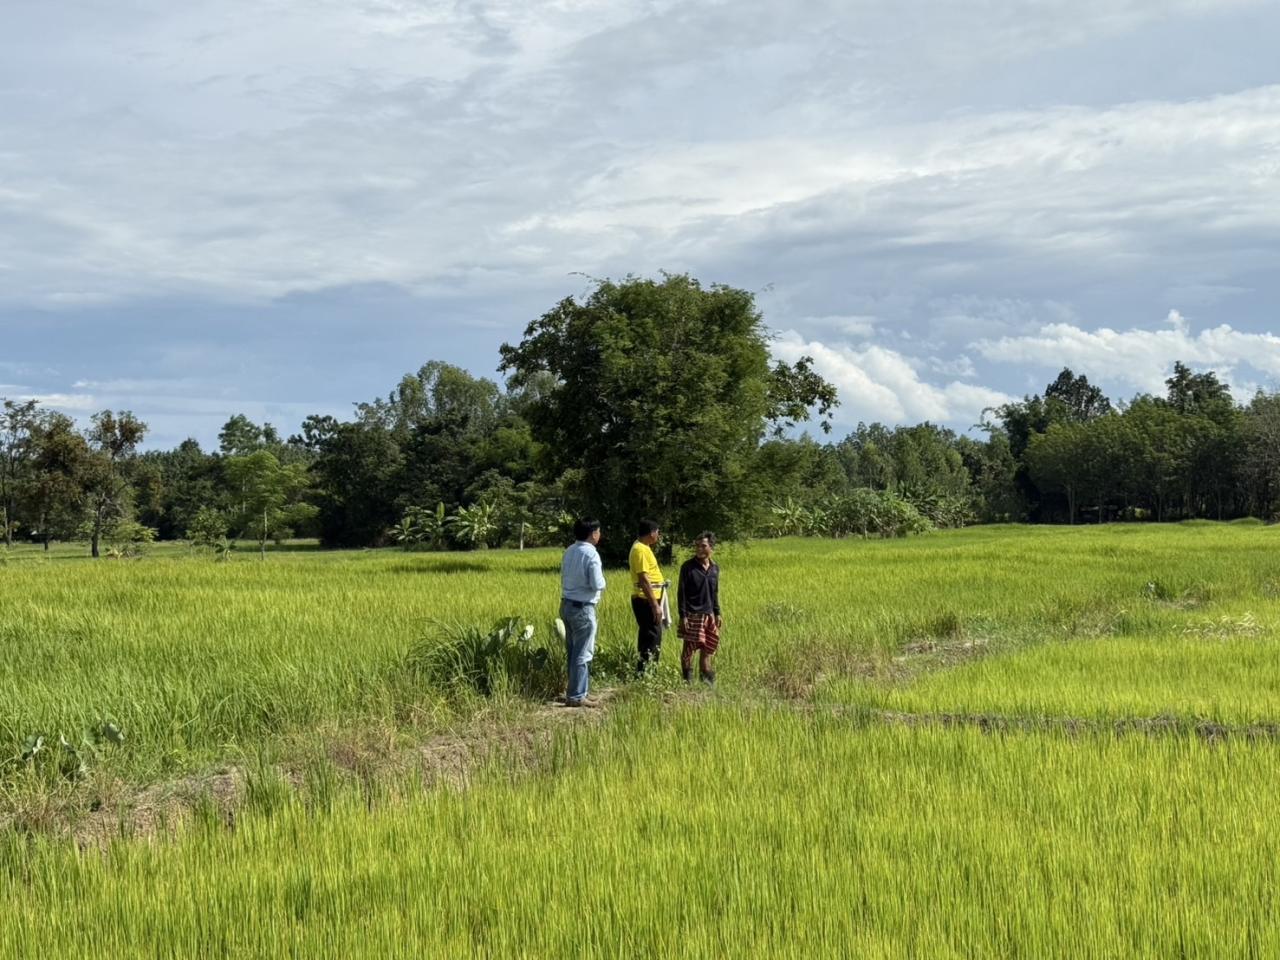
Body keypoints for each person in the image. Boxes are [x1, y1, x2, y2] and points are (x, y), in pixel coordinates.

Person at [560, 517, 605, 707]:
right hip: (583, 608)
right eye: (598, 531)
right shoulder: (591, 554)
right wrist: (604, 583)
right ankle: (577, 696)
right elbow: (597, 583)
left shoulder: (569, 551)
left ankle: (580, 691)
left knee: (573, 650)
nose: (600, 534)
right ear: (593, 533)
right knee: (583, 652)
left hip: (566, 605)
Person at [678, 531, 722, 685]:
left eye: (703, 546)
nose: (699, 549)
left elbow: (714, 592)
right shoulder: (688, 567)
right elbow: (681, 593)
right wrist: (683, 616)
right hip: (693, 615)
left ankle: (707, 683)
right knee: (688, 651)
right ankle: (687, 682)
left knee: (707, 650)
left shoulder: (715, 568)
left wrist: (717, 612)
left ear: (711, 547)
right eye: (697, 546)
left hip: (709, 615)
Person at [628, 518, 667, 675]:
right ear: (651, 533)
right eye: (657, 532)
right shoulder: (640, 550)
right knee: (652, 637)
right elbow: (644, 579)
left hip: (649, 599)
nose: (658, 535)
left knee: (650, 636)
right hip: (646, 600)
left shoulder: (644, 547)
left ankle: (646, 672)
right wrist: (654, 605)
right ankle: (646, 673)